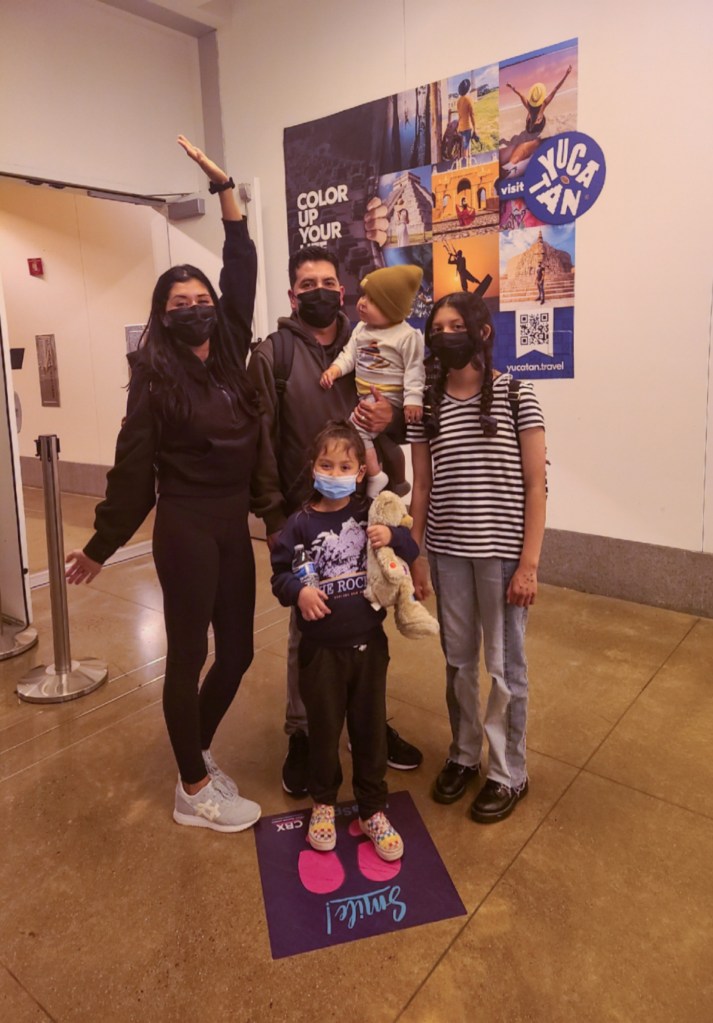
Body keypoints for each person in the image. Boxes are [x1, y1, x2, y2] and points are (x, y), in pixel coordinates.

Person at [65, 136, 262, 834]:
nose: (195, 307)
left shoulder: (230, 351)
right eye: (180, 302)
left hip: (232, 524)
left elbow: (241, 263)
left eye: (201, 298)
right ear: (163, 312)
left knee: (238, 652)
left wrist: (224, 188)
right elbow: (132, 469)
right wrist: (102, 544)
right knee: (188, 655)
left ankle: (193, 751)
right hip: (186, 528)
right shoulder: (154, 377)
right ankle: (192, 789)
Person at [248, 246, 424, 799]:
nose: (319, 291)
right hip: (308, 514)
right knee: (309, 625)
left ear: (343, 291)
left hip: (369, 507)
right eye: (307, 284)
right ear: (292, 294)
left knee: (368, 615)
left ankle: (370, 725)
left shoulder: (378, 339)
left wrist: (391, 417)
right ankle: (304, 734)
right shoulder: (273, 356)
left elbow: (408, 418)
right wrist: (274, 515)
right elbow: (261, 440)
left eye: (328, 282)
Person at [408, 291, 546, 823]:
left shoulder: (516, 393)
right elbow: (422, 486)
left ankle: (510, 772)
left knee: (505, 668)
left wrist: (529, 564)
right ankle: (465, 754)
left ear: (482, 332)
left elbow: (535, 485)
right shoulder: (428, 405)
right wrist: (416, 553)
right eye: (437, 328)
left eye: (456, 325)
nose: (446, 335)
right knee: (459, 662)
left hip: (503, 558)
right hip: (448, 554)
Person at [270, 421, 419, 860]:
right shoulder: (299, 524)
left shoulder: (370, 514)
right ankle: (323, 803)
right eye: (326, 464)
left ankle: (372, 808)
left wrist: (393, 536)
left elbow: (409, 548)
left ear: (359, 472)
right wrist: (298, 592)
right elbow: (279, 576)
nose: (334, 472)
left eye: (344, 466)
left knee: (370, 731)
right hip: (320, 653)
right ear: (312, 467)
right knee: (323, 730)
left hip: (369, 647)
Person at [320, 264, 425, 498]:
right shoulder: (361, 329)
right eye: (363, 295)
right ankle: (396, 479)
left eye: (373, 300)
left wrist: (413, 399)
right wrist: (335, 370)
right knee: (376, 437)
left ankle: (376, 475)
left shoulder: (406, 336)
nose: (362, 303)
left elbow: (414, 370)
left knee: (355, 427)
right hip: (365, 395)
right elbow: (349, 355)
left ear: (392, 308)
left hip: (389, 396)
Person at [506, 65, 572, 137]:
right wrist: (566, 74)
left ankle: (532, 120)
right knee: (535, 118)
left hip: (531, 125)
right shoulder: (544, 104)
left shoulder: (528, 105)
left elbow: (520, 95)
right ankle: (535, 122)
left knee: (530, 117)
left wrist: (511, 87)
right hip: (540, 125)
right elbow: (555, 89)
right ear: (540, 98)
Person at [456, 78, 478, 167]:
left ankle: (463, 162)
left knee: (463, 146)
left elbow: (459, 115)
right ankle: (467, 165)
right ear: (467, 89)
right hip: (467, 127)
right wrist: (475, 128)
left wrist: (458, 127)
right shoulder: (469, 99)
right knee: (467, 147)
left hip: (460, 127)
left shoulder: (458, 101)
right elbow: (472, 115)